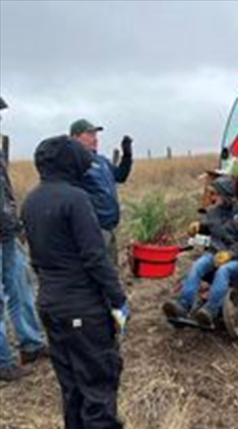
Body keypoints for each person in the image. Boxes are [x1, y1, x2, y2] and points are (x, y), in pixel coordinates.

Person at [22, 135, 129, 429]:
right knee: (98, 384)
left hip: (51, 305)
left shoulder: (31, 200)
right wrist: (118, 298)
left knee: (71, 386)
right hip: (82, 308)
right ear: (70, 163)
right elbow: (96, 257)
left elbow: (36, 259)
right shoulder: (76, 199)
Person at [162, 175, 238, 328]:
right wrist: (198, 227)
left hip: (237, 261)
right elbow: (208, 225)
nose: (212, 197)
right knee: (197, 265)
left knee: (223, 271)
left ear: (227, 195)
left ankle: (210, 311)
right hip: (214, 254)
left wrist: (230, 254)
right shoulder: (213, 211)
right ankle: (183, 306)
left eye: (215, 194)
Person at [0, 96, 47, 382]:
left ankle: (31, 345)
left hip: (7, 234)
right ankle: (3, 361)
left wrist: (15, 226)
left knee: (22, 289)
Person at [70, 119, 133, 264]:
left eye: (96, 134)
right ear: (75, 137)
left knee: (110, 270)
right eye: (90, 134)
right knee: (96, 270)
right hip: (92, 229)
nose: (95, 138)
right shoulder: (73, 162)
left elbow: (120, 176)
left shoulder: (101, 160)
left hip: (109, 227)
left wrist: (127, 156)